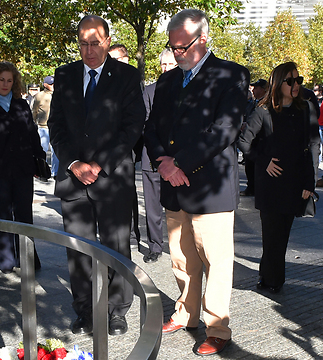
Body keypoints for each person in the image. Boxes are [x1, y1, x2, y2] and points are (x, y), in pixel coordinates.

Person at [143, 9, 249, 356]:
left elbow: (225, 129)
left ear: (203, 39)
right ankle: (186, 313)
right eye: (172, 47)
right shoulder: (168, 81)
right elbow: (151, 127)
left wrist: (180, 163)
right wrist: (164, 162)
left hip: (210, 188)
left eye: (183, 47)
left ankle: (218, 327)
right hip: (174, 185)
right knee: (181, 258)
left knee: (215, 261)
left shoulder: (230, 75)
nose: (176, 53)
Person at [47, 15, 145, 336]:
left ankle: (117, 311)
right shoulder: (65, 76)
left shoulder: (128, 77)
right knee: (78, 250)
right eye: (83, 43)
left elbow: (132, 127)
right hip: (73, 178)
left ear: (106, 41)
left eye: (95, 43)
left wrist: (99, 164)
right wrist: (74, 162)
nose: (89, 50)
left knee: (117, 246)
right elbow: (56, 126)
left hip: (112, 178)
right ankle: (85, 310)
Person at [238, 62, 318, 294]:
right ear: (278, 83)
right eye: (290, 81)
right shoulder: (264, 111)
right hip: (270, 183)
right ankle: (273, 280)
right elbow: (244, 142)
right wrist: (263, 161)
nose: (295, 85)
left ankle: (269, 276)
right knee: (272, 235)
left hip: (295, 181)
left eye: (298, 80)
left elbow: (313, 145)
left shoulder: (306, 109)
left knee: (281, 235)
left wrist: (309, 183)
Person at [0, 61, 45, 274]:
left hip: (23, 168)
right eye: (1, 79)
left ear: (15, 82)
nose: (5, 84)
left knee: (24, 214)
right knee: (2, 215)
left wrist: (39, 160)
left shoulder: (21, 105)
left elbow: (32, 135)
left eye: (9, 80)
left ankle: (28, 258)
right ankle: (6, 260)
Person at [140, 48, 178, 264]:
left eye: (171, 64)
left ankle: (178, 245)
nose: (166, 68)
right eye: (164, 64)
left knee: (175, 208)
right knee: (152, 206)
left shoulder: (185, 89)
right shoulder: (149, 91)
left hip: (177, 161)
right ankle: (155, 246)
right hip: (152, 159)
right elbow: (145, 124)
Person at [108, 45, 142, 252]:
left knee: (128, 194)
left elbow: (136, 119)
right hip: (106, 153)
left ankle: (131, 233)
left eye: (116, 59)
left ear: (126, 59)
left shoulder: (132, 81)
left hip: (126, 150)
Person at [241, 79, 269, 197]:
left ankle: (256, 188)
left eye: (256, 88)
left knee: (257, 166)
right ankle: (251, 187)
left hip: (260, 140)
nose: (253, 90)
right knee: (249, 166)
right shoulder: (252, 103)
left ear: (263, 89)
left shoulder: (265, 105)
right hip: (250, 139)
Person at [31, 75, 59, 177]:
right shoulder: (39, 96)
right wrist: (33, 122)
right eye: (50, 84)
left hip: (55, 127)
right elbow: (34, 110)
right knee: (42, 149)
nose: (52, 85)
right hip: (43, 127)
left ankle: (55, 172)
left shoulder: (58, 95)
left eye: (53, 83)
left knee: (55, 151)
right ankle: (41, 170)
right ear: (45, 85)